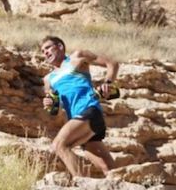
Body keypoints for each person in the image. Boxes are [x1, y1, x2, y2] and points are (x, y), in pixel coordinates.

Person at [40, 36, 118, 177]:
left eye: (48, 48)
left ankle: (81, 185)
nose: (45, 52)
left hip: (89, 110)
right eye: (42, 51)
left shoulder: (77, 57)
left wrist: (108, 83)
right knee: (108, 168)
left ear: (60, 47)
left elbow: (112, 63)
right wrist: (51, 105)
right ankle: (124, 187)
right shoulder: (48, 79)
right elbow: (56, 111)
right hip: (78, 121)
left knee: (59, 145)